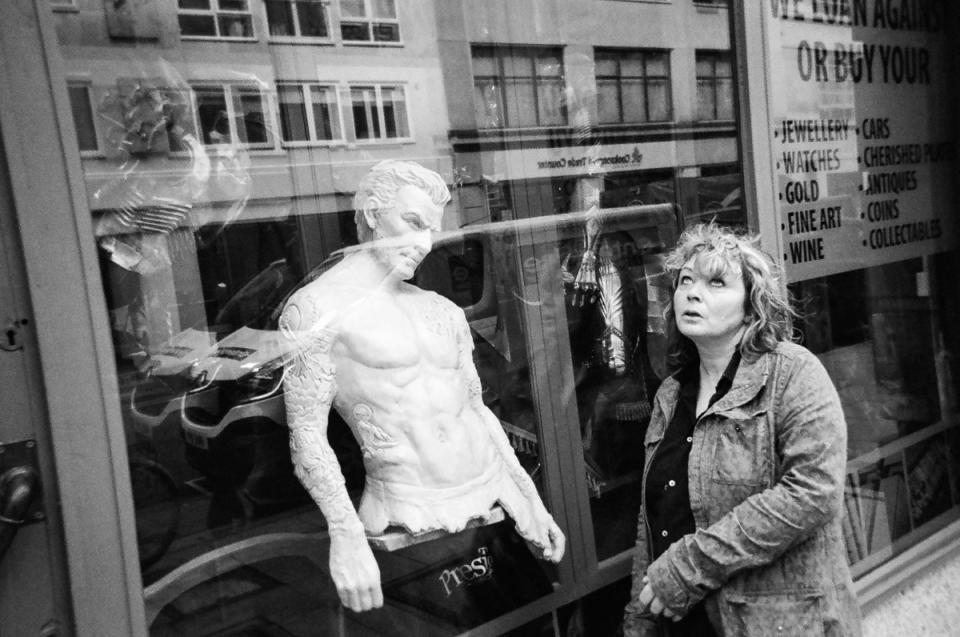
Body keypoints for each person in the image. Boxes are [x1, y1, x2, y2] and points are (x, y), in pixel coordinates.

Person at [279, 160, 565, 613]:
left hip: (489, 504)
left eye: (431, 230)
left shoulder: (442, 310)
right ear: (372, 213)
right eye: (412, 223)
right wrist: (347, 535)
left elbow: (476, 411)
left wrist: (530, 501)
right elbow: (307, 437)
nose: (424, 244)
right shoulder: (315, 310)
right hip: (404, 519)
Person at [622, 223, 862, 636]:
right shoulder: (671, 394)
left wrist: (689, 567)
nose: (693, 293)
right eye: (686, 281)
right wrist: (639, 621)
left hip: (776, 623)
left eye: (717, 283)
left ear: (752, 306)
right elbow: (654, 518)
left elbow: (813, 492)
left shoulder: (792, 372)